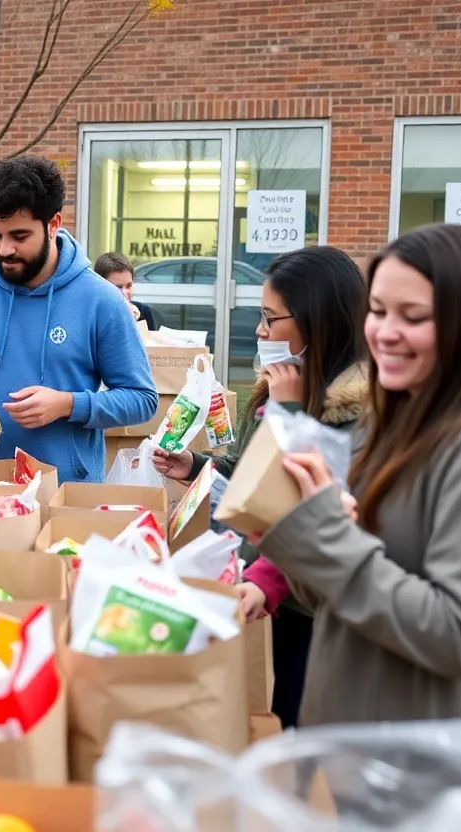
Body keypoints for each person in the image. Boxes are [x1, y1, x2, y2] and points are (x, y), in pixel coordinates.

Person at [254, 224, 461, 826]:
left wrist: (323, 538)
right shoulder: (405, 415)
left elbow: (456, 630)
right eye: (377, 310)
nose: (385, 332)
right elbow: (345, 586)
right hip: (377, 767)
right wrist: (291, 529)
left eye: (412, 316)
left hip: (454, 787)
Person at [151, 246, 367, 728]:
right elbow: (247, 468)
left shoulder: (352, 410)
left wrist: (289, 413)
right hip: (258, 588)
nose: (260, 332)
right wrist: (195, 464)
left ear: (318, 321)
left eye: (271, 319)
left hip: (308, 610)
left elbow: (303, 505)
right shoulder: (280, 385)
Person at [0, 155, 157, 481]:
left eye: (19, 236)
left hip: (66, 491)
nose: (4, 250)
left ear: (53, 224)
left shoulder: (102, 300)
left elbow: (141, 399)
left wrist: (69, 405)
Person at [94, 251, 156, 330]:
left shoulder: (143, 311)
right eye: (117, 288)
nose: (124, 292)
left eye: (129, 286)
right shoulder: (91, 317)